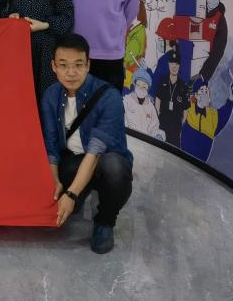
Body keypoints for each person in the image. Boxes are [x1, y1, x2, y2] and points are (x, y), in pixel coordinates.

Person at [40, 34, 133, 254]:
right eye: (63, 65)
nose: (71, 72)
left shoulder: (109, 97)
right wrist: (54, 181)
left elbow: (95, 153)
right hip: (72, 161)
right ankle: (79, 194)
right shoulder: (50, 95)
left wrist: (71, 194)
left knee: (114, 169)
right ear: (53, 66)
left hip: (103, 160)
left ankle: (105, 221)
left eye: (78, 65)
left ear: (88, 65)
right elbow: (51, 146)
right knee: (53, 195)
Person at [154, 49, 190, 147]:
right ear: (168, 64)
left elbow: (186, 109)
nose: (174, 66)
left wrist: (180, 124)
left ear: (179, 66)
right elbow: (157, 100)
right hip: (162, 124)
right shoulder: (162, 80)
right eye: (172, 63)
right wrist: (157, 118)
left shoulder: (183, 86)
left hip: (175, 128)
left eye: (176, 64)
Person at [123, 67, 161, 139]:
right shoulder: (127, 101)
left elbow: (155, 126)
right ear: (134, 85)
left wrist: (157, 135)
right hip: (128, 138)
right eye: (138, 85)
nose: (141, 88)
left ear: (148, 88)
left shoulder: (151, 107)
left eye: (144, 87)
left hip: (144, 142)